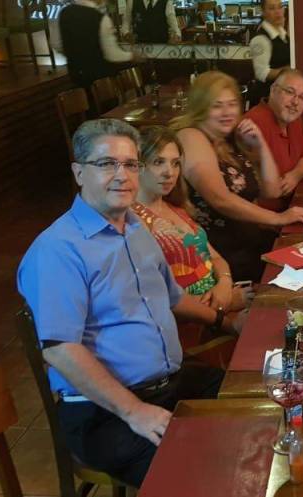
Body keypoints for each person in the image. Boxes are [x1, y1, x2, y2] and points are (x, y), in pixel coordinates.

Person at [17, 119, 225, 487]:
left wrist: (224, 321)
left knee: (256, 402)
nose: (122, 175)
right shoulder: (57, 250)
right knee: (202, 481)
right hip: (105, 412)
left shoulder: (135, 227)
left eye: (130, 164)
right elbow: (61, 349)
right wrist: (135, 412)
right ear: (79, 173)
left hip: (169, 385)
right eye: (106, 164)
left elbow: (173, 297)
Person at [171, 71, 303, 283]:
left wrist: (260, 145)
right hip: (221, 258)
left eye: (232, 104)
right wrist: (279, 218)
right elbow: (220, 199)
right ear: (201, 107)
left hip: (251, 245)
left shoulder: (229, 139)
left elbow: (272, 190)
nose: (227, 112)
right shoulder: (191, 137)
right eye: (217, 105)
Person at [131, 126, 253, 365]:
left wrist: (224, 284)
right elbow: (164, 300)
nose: (169, 172)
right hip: (190, 330)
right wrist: (225, 308)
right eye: (158, 162)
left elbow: (215, 258)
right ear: (138, 166)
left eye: (175, 163)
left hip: (219, 305)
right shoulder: (134, 221)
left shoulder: (176, 208)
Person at [243, 69, 303, 210]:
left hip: (292, 205)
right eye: (289, 92)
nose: (295, 102)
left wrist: (295, 175)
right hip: (266, 217)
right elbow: (252, 192)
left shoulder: (294, 119)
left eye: (302, 97)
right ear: (273, 90)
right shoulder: (253, 124)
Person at [59, 0, 140, 89]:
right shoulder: (101, 18)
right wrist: (132, 56)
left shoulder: (64, 13)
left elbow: (57, 44)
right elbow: (112, 55)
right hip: (102, 83)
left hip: (77, 79)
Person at [248, 0, 291, 107]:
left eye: (280, 7)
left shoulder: (281, 32)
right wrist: (288, 70)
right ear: (263, 12)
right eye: (272, 8)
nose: (278, 12)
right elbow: (261, 73)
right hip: (266, 98)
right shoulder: (260, 39)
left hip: (280, 96)